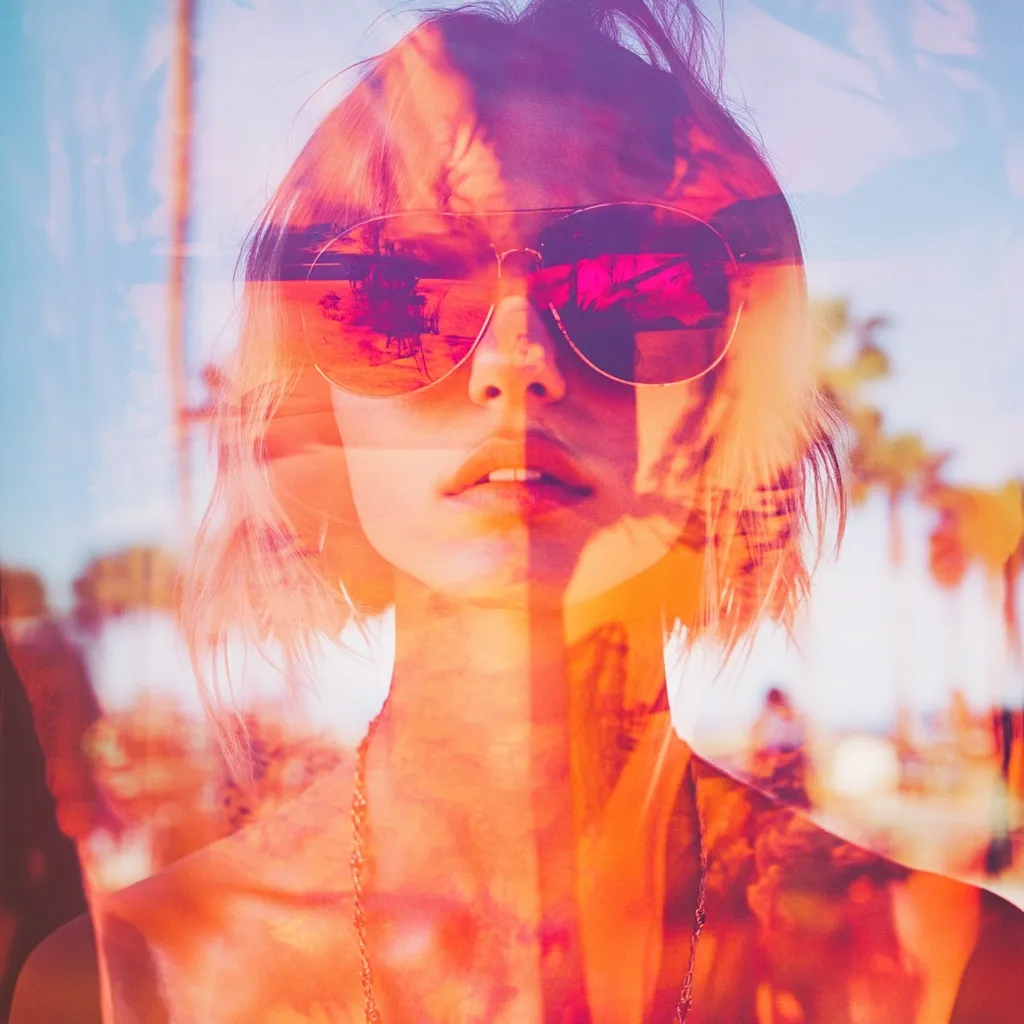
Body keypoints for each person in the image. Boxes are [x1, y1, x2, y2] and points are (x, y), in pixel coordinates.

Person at [12, 1, 1024, 1021]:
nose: (516, 360)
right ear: (308, 393)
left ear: (736, 384)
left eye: (630, 282)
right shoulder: (120, 986)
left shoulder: (956, 977)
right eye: (398, 287)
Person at [749, 686, 811, 808]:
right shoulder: (794, 714)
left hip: (778, 759)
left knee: (778, 794)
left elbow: (756, 736)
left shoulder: (771, 715)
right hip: (789, 759)